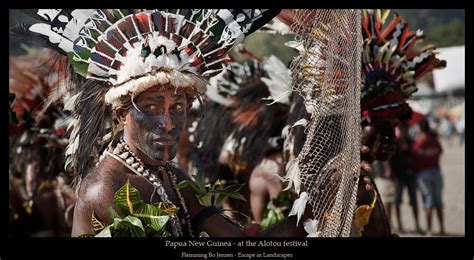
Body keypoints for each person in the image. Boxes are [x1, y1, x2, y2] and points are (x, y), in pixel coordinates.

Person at [15, 9, 333, 237]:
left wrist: (315, 206)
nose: (168, 123)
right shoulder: (108, 190)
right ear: (121, 114)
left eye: (178, 107)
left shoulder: (170, 177)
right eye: (151, 107)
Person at [413, 119, 445, 236]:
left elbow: (414, 156)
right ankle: (442, 228)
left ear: (420, 128)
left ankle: (429, 230)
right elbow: (440, 151)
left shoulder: (419, 142)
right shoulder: (434, 140)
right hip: (436, 172)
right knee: (439, 201)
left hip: (424, 174)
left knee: (428, 202)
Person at [390, 122, 422, 234]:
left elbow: (417, 155)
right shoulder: (395, 143)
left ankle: (417, 225)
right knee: (397, 200)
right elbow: (391, 159)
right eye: (402, 127)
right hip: (399, 175)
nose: (405, 130)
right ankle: (399, 226)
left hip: (411, 174)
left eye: (406, 127)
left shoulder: (411, 141)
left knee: (414, 200)